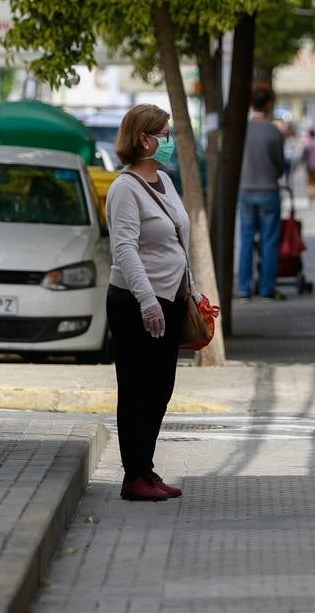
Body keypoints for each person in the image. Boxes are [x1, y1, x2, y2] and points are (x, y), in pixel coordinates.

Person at [104, 103, 202, 502]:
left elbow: (179, 240)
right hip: (136, 304)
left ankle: (146, 467)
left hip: (171, 299)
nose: (169, 142)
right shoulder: (124, 189)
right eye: (163, 134)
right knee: (136, 389)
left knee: (160, 388)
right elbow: (124, 250)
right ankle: (133, 477)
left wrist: (191, 290)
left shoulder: (165, 181)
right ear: (143, 139)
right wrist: (147, 301)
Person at [238, 87, 288, 301]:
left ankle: (243, 288)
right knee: (269, 241)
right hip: (269, 191)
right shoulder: (273, 131)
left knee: (246, 240)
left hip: (246, 191)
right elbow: (280, 165)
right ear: (268, 105)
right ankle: (267, 288)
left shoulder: (241, 130)